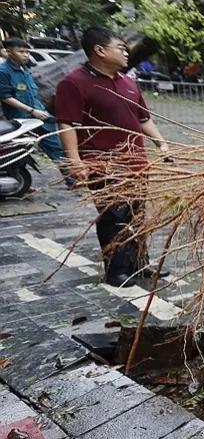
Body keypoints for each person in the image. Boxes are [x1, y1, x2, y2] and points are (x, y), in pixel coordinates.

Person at [55, 27, 172, 287]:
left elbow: (143, 118)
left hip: (136, 162)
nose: (126, 52)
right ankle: (116, 271)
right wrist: (75, 160)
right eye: (120, 47)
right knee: (113, 217)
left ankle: (140, 264)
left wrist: (161, 143)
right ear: (99, 50)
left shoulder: (128, 82)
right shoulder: (74, 83)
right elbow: (67, 123)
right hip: (104, 164)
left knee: (138, 215)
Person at [0, 38, 67, 179]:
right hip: (21, 121)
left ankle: (72, 180)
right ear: (9, 52)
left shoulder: (25, 70)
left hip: (40, 117)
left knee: (57, 148)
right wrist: (31, 111)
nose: (25, 55)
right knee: (19, 153)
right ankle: (18, 180)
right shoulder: (3, 71)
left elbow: (33, 93)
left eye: (27, 52)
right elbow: (5, 97)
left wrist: (42, 110)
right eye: (21, 51)